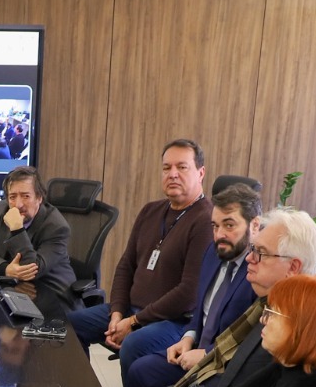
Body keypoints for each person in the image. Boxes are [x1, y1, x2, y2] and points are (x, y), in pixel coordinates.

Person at [120, 206, 316, 387]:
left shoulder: (287, 327)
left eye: (261, 253)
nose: (250, 258)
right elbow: (219, 359)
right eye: (253, 249)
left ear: (293, 267)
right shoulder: (264, 306)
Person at [119, 182, 261, 387]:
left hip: (223, 365)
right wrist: (188, 338)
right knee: (141, 371)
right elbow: (200, 311)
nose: (219, 235)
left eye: (229, 225)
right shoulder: (212, 253)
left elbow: (252, 339)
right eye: (215, 226)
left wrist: (206, 354)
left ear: (255, 225)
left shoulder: (258, 271)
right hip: (195, 349)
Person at [68, 139, 212, 350]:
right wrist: (116, 313)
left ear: (201, 173)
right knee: (70, 325)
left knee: (133, 344)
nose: (172, 174)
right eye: (166, 168)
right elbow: (126, 266)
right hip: (130, 310)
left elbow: (189, 293)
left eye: (182, 167)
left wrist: (135, 322)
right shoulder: (150, 211)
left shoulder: (206, 220)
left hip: (173, 320)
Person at [0, 165, 75, 291]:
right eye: (12, 197)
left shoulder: (57, 227)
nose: (18, 205)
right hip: (13, 287)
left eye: (25, 196)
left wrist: (17, 229)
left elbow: (32, 271)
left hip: (50, 290)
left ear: (39, 198)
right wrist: (6, 269)